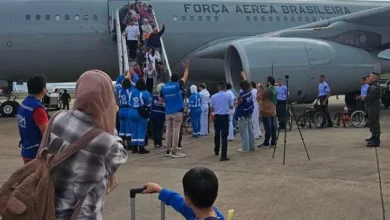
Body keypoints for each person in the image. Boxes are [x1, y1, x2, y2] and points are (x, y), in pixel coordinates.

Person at [48, 70, 128, 219]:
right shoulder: (106, 141)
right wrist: (111, 120)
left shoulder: (57, 118)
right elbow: (119, 159)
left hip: (49, 208)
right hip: (83, 214)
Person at [143, 167, 224, 220]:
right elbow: (177, 201)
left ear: (187, 201)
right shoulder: (218, 214)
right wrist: (158, 189)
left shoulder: (191, 211)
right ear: (216, 195)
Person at [160, 59, 190, 158]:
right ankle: (175, 151)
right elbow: (185, 77)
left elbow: (161, 99)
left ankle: (167, 150)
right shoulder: (178, 85)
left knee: (168, 131)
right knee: (176, 131)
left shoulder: (164, 87)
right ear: (177, 79)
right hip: (177, 111)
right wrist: (186, 67)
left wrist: (168, 101)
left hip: (168, 111)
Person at [17, 74, 49, 164]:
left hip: (26, 150)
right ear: (43, 90)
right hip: (36, 155)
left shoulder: (24, 104)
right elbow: (46, 134)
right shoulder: (37, 109)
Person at [210, 82, 234, 161]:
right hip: (224, 117)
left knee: (217, 134)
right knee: (224, 136)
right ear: (225, 88)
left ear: (218, 87)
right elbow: (231, 106)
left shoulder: (213, 96)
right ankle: (223, 155)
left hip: (217, 116)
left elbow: (212, 108)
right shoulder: (229, 96)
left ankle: (216, 150)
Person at [128, 78, 151, 154]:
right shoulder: (145, 93)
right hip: (140, 112)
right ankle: (141, 147)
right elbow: (148, 104)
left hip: (131, 111)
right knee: (141, 129)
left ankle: (134, 147)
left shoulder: (132, 91)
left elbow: (129, 101)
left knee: (133, 129)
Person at [236, 73, 256, 152]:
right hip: (249, 112)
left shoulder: (241, 95)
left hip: (243, 114)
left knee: (244, 131)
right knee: (250, 130)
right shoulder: (249, 92)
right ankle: (252, 146)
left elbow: (238, 103)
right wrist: (244, 77)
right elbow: (246, 84)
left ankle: (245, 148)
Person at [362, 72, 382, 147]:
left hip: (374, 107)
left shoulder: (374, 86)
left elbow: (371, 96)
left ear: (374, 78)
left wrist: (364, 97)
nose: (368, 78)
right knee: (372, 122)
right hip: (372, 106)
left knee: (374, 122)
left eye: (370, 77)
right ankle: (373, 136)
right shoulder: (372, 85)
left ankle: (376, 140)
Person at [257, 76, 277, 148]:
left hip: (266, 110)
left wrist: (259, 89)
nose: (265, 82)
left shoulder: (268, 90)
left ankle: (266, 143)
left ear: (269, 82)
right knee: (273, 127)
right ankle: (273, 142)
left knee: (267, 127)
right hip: (272, 109)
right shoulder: (274, 89)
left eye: (266, 81)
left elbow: (259, 97)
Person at [117, 77, 133, 150]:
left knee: (122, 127)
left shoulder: (120, 90)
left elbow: (117, 83)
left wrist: (122, 76)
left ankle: (122, 143)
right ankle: (129, 144)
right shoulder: (129, 90)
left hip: (121, 109)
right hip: (128, 109)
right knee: (128, 127)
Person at [151, 83, 166, 148]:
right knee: (160, 129)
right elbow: (165, 106)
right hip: (161, 115)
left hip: (153, 114)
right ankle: (159, 143)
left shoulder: (153, 95)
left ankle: (155, 143)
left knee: (154, 129)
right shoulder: (164, 96)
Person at [178, 80, 187, 149]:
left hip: (171, 110)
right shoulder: (183, 92)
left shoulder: (174, 91)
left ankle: (171, 144)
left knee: (171, 128)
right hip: (180, 110)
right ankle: (178, 143)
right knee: (179, 127)